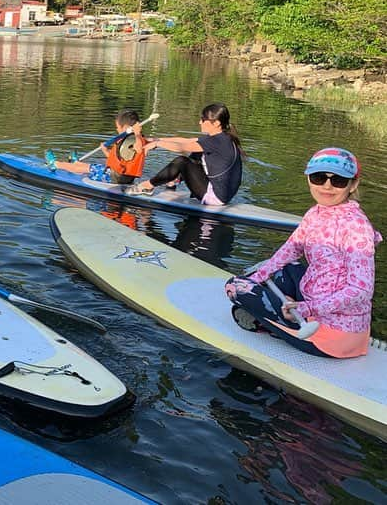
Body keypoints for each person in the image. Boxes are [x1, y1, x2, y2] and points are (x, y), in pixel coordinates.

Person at [225, 148, 380, 358]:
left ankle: (272, 323)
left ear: (353, 185)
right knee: (285, 267)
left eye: (339, 181)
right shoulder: (315, 213)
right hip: (316, 306)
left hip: (331, 338)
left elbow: (361, 290)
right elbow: (292, 248)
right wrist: (258, 276)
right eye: (319, 177)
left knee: (235, 287)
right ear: (309, 179)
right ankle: (280, 312)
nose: (327, 186)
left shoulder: (356, 227)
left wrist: (307, 309)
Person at [126, 102, 242, 204]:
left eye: (203, 119)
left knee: (182, 162)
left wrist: (157, 144)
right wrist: (155, 140)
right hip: (224, 193)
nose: (200, 122)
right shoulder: (222, 137)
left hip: (215, 197)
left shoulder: (217, 141)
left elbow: (182, 147)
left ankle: (147, 186)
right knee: (197, 154)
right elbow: (186, 140)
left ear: (216, 123)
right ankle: (173, 181)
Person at [45, 109, 146, 185]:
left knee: (87, 168)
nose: (117, 129)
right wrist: (106, 151)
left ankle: (55, 164)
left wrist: (137, 133)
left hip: (114, 177)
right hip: (119, 176)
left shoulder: (134, 139)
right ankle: (75, 162)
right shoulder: (129, 139)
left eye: (118, 127)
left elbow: (138, 148)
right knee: (89, 167)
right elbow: (120, 162)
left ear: (126, 128)